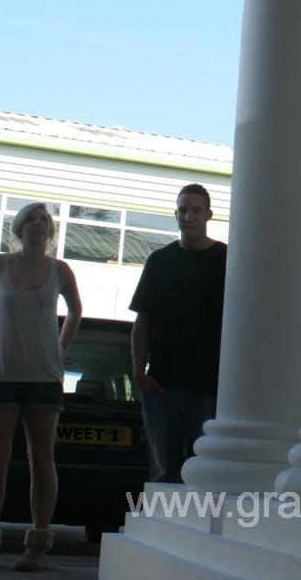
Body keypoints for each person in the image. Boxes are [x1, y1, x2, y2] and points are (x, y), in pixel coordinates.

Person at [0, 202, 82, 571]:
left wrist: (61, 346)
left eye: (44, 220)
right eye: (31, 219)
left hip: (43, 378)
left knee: (42, 459)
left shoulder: (60, 270)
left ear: (51, 231)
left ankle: (37, 547)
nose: (38, 224)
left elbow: (75, 309)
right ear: (19, 228)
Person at [129, 183, 227, 484]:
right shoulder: (159, 261)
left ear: (208, 214)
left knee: (206, 474)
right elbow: (142, 320)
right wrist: (138, 372)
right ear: (176, 215)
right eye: (183, 211)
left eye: (196, 211)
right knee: (163, 473)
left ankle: (198, 530)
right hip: (162, 385)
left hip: (211, 388)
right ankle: (158, 530)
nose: (189, 217)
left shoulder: (226, 260)